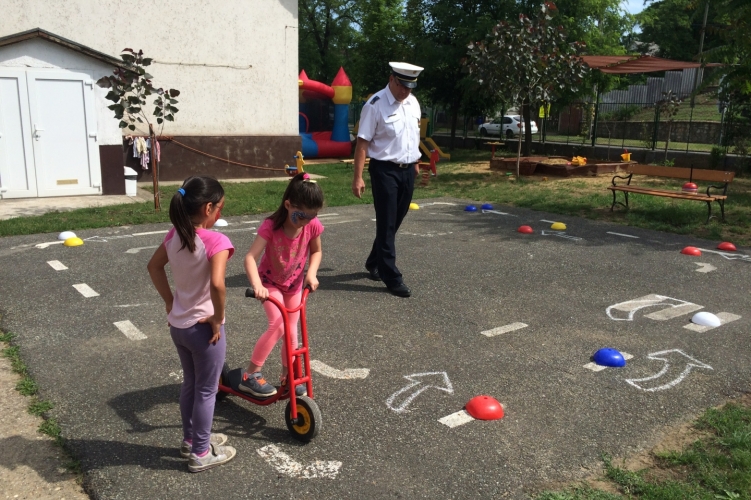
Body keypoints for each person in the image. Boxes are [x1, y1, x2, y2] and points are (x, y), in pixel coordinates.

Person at [146, 176, 237, 473]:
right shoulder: (216, 241)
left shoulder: (174, 235)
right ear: (208, 208)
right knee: (207, 390)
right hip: (204, 328)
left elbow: (154, 266)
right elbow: (218, 284)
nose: (220, 214)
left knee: (191, 384)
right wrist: (218, 318)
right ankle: (200, 452)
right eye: (220, 208)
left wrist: (170, 301)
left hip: (180, 327)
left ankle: (191, 439)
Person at [240, 173, 324, 397]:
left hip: (294, 284)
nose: (306, 222)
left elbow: (316, 251)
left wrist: (311, 274)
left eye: (312, 216)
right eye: (301, 216)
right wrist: (258, 286)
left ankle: (289, 376)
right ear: (288, 205)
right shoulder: (271, 226)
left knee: (292, 330)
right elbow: (250, 258)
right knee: (279, 325)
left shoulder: (312, 225)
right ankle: (250, 375)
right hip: (269, 283)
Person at [352, 61, 424, 298]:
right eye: (402, 85)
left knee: (396, 219)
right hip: (384, 170)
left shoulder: (413, 103)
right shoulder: (375, 105)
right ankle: (391, 276)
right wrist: (358, 177)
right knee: (387, 222)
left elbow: (413, 136)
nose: (405, 91)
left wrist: (415, 161)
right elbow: (362, 143)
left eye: (410, 87)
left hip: (407, 170)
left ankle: (374, 261)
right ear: (392, 79)